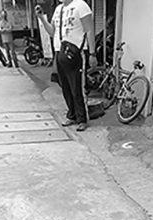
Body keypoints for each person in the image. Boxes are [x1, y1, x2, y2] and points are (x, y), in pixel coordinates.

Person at [36, 0, 97, 132]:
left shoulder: (81, 5)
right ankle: (72, 115)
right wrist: (41, 18)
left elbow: (90, 30)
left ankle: (82, 118)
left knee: (77, 87)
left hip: (75, 53)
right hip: (60, 52)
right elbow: (52, 32)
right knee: (65, 86)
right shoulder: (58, 9)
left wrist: (92, 53)